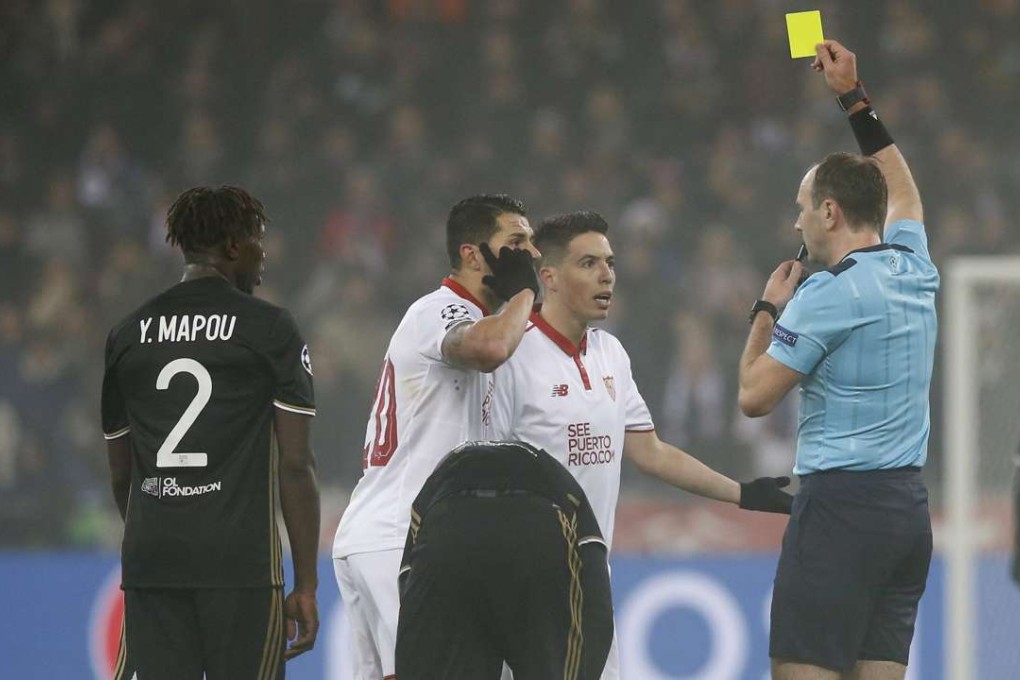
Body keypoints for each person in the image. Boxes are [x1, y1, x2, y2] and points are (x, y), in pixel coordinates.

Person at [483, 209, 794, 679]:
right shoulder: (512, 355)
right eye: (588, 263)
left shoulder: (611, 353)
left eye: (609, 262)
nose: (607, 274)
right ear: (549, 277)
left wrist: (744, 493)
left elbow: (652, 452)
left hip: (591, 582)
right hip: (524, 586)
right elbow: (481, 473)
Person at [737, 40, 938, 680]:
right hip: (907, 513)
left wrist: (765, 311)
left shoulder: (826, 292)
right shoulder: (914, 266)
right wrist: (853, 98)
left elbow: (753, 397)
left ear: (828, 210)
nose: (799, 223)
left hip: (839, 511)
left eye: (802, 209)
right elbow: (904, 190)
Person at [101, 185, 321, 679]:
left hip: (152, 560)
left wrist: (163, 522)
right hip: (239, 564)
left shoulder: (127, 333)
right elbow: (295, 463)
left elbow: (121, 475)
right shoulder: (269, 328)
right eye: (259, 240)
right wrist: (306, 584)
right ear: (234, 246)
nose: (265, 255)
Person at [331, 194, 541, 680]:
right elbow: (487, 348)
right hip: (400, 537)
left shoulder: (487, 324)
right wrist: (527, 294)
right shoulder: (438, 310)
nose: (531, 253)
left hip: (397, 536)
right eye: (516, 242)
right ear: (472, 254)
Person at [396, 440, 615, 680]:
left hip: (447, 527)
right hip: (537, 528)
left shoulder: (432, 489)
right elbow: (595, 575)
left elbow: (409, 578)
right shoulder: (561, 484)